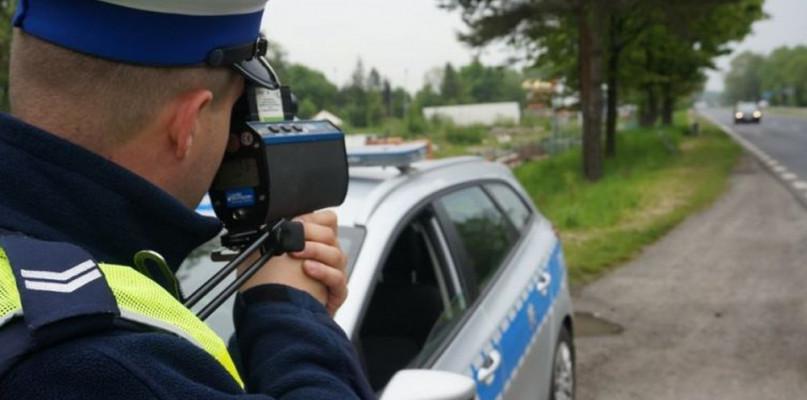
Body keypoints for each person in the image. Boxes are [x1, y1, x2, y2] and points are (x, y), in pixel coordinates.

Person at [0, 0, 374, 399]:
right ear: (188, 124)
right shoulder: (93, 362)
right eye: (232, 111)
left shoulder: (50, 302)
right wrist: (287, 309)